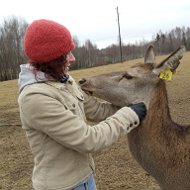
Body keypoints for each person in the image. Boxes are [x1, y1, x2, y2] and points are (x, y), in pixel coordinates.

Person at [18, 19, 147, 190]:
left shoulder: (64, 80)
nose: (73, 58)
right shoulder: (35, 98)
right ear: (52, 59)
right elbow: (89, 140)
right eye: (66, 54)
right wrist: (130, 115)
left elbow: (96, 110)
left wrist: (132, 106)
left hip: (85, 180)